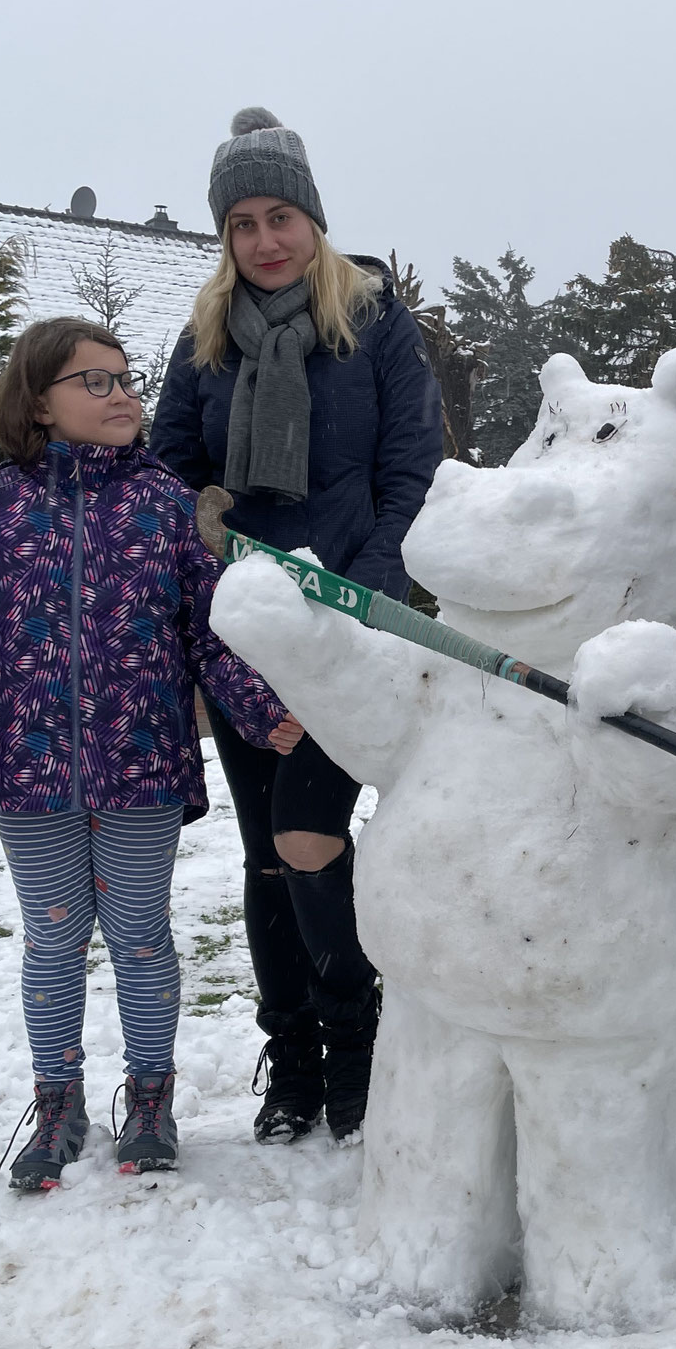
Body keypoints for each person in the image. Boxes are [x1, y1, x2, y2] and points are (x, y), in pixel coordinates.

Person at [0, 318, 300, 1192]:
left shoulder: (163, 503)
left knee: (139, 935)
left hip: (142, 763)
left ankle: (151, 1096)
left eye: (126, 379)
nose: (123, 394)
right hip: (29, 768)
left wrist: (259, 706)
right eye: (96, 382)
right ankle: (58, 1102)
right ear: (39, 402)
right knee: (51, 938)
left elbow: (211, 631)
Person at [151, 108, 444, 1146]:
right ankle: (297, 1058)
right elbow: (171, 475)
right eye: (242, 222)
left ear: (313, 218)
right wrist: (209, 539)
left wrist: (359, 603)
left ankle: (358, 1036)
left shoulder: (373, 321)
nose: (266, 239)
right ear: (225, 237)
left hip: (354, 623)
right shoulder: (203, 340)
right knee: (265, 854)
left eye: (281, 215)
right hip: (244, 628)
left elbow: (411, 470)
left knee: (308, 833)